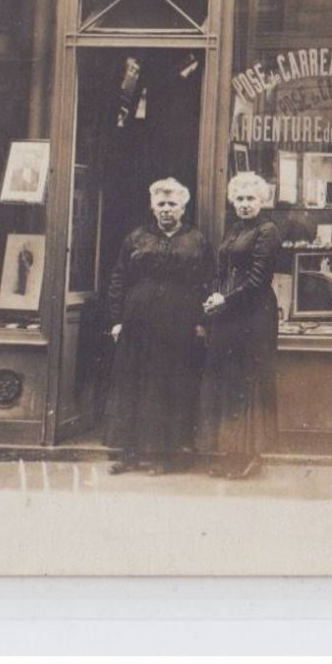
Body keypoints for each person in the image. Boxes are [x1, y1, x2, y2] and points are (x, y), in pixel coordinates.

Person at [103, 178, 214, 476]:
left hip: (178, 320)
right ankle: (129, 453)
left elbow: (207, 283)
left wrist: (202, 322)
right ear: (152, 207)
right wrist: (116, 320)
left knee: (168, 386)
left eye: (172, 204)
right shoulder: (137, 238)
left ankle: (164, 455)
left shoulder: (196, 240)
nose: (166, 210)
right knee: (133, 383)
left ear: (183, 207)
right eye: (161, 204)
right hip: (138, 319)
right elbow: (118, 279)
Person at [197, 171, 281, 479]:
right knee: (228, 383)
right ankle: (231, 451)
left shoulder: (267, 231)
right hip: (229, 313)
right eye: (240, 199)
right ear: (233, 202)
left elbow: (258, 281)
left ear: (262, 201)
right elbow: (223, 271)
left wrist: (225, 301)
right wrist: (216, 295)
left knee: (248, 381)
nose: (245, 204)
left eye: (251, 199)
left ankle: (249, 455)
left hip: (254, 314)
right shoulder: (234, 230)